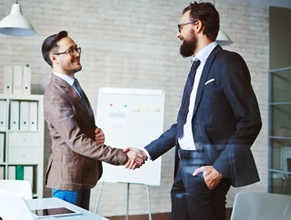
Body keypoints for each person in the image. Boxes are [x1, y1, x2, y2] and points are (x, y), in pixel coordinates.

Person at [142, 2, 262, 220]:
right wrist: (147, 152)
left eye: (180, 27)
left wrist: (219, 168)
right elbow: (184, 125)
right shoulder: (195, 67)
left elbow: (250, 121)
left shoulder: (228, 63)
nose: (178, 35)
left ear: (197, 25)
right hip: (183, 166)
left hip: (207, 166)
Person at [41, 30, 146, 210]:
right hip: (67, 180)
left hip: (80, 176)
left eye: (77, 49)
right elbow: (75, 140)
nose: (77, 54)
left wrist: (94, 131)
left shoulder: (73, 86)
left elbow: (76, 126)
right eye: (71, 50)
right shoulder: (55, 93)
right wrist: (123, 156)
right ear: (54, 59)